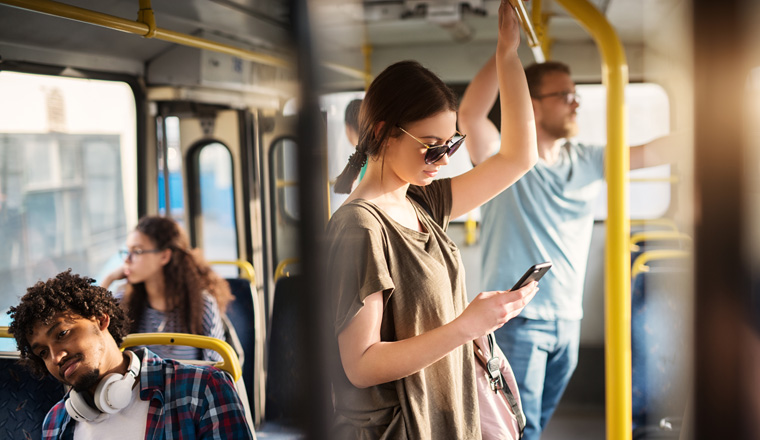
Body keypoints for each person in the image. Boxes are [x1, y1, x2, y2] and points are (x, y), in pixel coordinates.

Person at [327, 2, 538, 438]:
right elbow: (361, 364)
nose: (443, 159)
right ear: (384, 133)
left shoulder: (423, 202)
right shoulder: (360, 228)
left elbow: (519, 157)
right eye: (430, 145)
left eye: (451, 144)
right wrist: (467, 326)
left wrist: (507, 55)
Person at [459, 57, 676, 438]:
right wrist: (504, 53)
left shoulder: (588, 159)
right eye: (564, 95)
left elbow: (654, 152)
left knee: (535, 424)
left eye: (575, 94)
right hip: (518, 320)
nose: (576, 103)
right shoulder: (505, 160)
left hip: (567, 320)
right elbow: (471, 115)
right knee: (517, 428)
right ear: (533, 104)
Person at [6, 270, 253, 440]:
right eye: (42, 352)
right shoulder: (57, 422)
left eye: (62, 334)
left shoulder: (203, 389)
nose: (55, 357)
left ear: (101, 319)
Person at [102, 216, 233, 362]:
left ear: (164, 256)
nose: (126, 260)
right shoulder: (124, 301)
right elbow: (100, 348)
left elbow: (217, 369)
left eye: (137, 251)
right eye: (127, 251)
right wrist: (108, 279)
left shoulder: (202, 305)